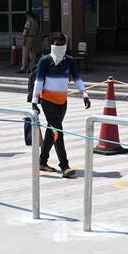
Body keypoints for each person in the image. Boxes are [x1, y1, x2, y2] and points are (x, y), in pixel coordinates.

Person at [30, 32, 90, 177]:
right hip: (48, 101)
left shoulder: (69, 61)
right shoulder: (45, 61)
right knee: (58, 132)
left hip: (62, 102)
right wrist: (34, 101)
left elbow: (77, 78)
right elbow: (38, 82)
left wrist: (84, 94)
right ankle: (64, 165)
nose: (59, 47)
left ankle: (42, 161)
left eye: (62, 44)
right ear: (51, 45)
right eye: (56, 44)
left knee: (52, 132)